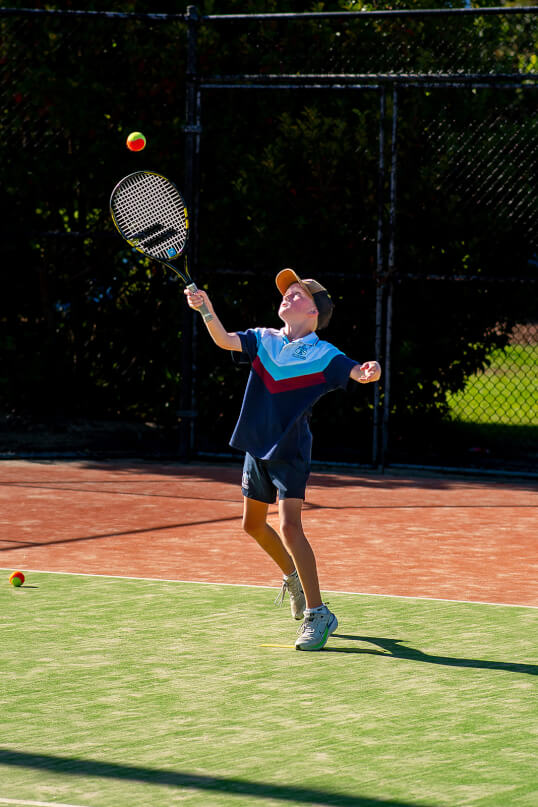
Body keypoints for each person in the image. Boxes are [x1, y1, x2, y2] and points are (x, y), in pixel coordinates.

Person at [185, 268, 381, 651]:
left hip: (290, 450)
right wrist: (206, 309)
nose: (288, 296)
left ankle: (318, 613)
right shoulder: (264, 339)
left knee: (290, 527)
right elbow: (225, 340)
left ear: (314, 312)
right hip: (257, 446)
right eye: (286, 292)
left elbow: (354, 371)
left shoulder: (324, 353)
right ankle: (292, 576)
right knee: (252, 525)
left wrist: (366, 373)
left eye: (298, 294)